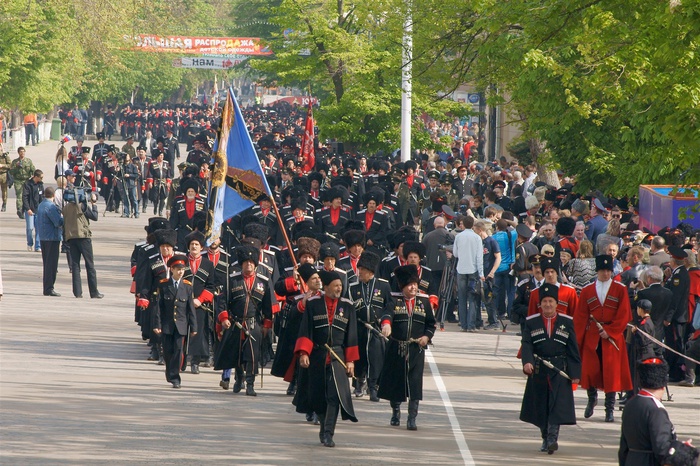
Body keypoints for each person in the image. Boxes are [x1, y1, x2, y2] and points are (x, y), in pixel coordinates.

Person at [295, 269, 359, 447]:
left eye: (340, 285)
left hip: (338, 357)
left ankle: (329, 433)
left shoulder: (347, 306)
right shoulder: (313, 304)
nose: (339, 288)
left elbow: (352, 335)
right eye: (336, 285)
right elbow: (306, 330)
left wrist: (350, 361)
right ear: (326, 286)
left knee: (334, 396)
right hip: (317, 356)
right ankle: (323, 426)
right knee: (318, 396)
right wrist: (304, 353)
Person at [520, 284, 581, 455]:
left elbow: (572, 349)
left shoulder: (567, 322)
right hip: (539, 370)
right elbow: (526, 345)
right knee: (541, 406)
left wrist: (575, 373)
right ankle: (545, 437)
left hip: (559, 370)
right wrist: (527, 362)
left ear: (557, 303)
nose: (547, 305)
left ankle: (553, 439)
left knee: (556, 406)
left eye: (551, 301)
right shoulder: (531, 322)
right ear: (540, 304)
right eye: (545, 301)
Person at [574, 254, 633, 422]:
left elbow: (624, 315)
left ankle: (609, 409)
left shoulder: (620, 289)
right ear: (597, 271)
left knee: (611, 373)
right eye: (602, 270)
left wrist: (611, 331)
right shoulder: (587, 290)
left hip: (612, 337)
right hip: (592, 336)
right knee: (591, 371)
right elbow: (580, 316)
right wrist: (578, 339)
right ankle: (592, 399)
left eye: (608, 270)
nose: (606, 274)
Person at [379, 264, 436, 430]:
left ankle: (412, 418)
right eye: (410, 285)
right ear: (402, 286)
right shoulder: (394, 299)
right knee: (397, 382)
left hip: (416, 350)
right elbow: (387, 314)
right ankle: (395, 412)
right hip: (397, 347)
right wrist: (386, 325)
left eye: (415, 284)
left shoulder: (424, 301)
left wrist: (426, 337)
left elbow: (431, 325)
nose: (413, 287)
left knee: (415, 384)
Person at [215, 245, 274, 396]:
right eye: (246, 262)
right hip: (235, 323)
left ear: (255, 264)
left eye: (251, 262)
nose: (249, 265)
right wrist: (223, 318)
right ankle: (238, 379)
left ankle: (250, 384)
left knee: (252, 355)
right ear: (241, 264)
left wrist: (267, 324)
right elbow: (222, 301)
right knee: (238, 354)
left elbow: (268, 306)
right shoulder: (232, 279)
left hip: (254, 323)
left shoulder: (264, 281)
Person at [618, 358, 692, 466]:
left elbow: (623, 447)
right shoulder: (656, 410)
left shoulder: (631, 403)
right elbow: (662, 449)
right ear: (663, 384)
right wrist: (684, 450)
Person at [348, 251, 394, 401]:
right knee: (359, 357)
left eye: (363, 270)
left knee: (375, 357)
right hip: (359, 327)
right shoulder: (352, 287)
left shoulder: (383, 285)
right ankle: (359, 382)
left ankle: (373, 387)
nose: (359, 272)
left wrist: (386, 322)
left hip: (376, 328)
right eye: (359, 269)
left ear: (370, 272)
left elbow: (389, 306)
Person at [152, 254, 197, 389]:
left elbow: (190, 308)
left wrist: (194, 327)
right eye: (177, 269)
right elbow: (158, 307)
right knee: (167, 352)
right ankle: (170, 373)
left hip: (181, 325)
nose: (180, 272)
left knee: (178, 350)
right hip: (167, 325)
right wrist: (157, 324)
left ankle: (175, 377)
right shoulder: (164, 285)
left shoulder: (188, 287)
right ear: (171, 269)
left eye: (182, 269)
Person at [63, 189, 103, 299]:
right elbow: (94, 217)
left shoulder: (66, 208)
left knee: (75, 266)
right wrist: (94, 204)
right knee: (90, 265)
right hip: (84, 238)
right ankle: (94, 292)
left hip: (71, 238)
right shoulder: (82, 206)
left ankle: (77, 292)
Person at [452, 215, 484, 331]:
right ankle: (471, 325)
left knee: (461, 298)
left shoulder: (459, 237)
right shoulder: (477, 238)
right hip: (473, 269)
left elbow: (455, 253)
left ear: (463, 224)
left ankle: (463, 324)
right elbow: (479, 257)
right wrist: (481, 273)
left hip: (461, 269)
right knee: (473, 298)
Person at [35, 187, 63, 296]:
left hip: (43, 237)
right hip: (52, 238)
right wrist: (64, 217)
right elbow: (57, 222)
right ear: (54, 196)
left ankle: (47, 287)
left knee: (46, 263)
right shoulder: (51, 207)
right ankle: (49, 288)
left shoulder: (41, 205)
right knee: (52, 264)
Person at [21, 169, 44, 252]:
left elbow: (42, 197)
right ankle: (29, 243)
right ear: (36, 177)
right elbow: (25, 197)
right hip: (30, 210)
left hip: (38, 209)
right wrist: (27, 209)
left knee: (38, 228)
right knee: (30, 228)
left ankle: (38, 246)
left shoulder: (40, 185)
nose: (42, 179)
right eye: (41, 177)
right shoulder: (28, 184)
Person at [10, 147, 36, 219]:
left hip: (26, 180)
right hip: (18, 180)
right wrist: (16, 167)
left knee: (26, 195)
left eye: (23, 152)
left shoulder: (28, 161)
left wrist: (34, 176)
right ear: (18, 153)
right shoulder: (15, 162)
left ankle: (25, 208)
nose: (22, 153)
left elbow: (33, 170)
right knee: (19, 195)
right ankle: (19, 210)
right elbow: (11, 172)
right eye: (21, 152)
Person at [0, 144, 11, 212]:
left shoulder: (5, 156)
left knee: (4, 191)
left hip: (3, 175)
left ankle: (4, 204)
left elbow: (10, 165)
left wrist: (2, 165)